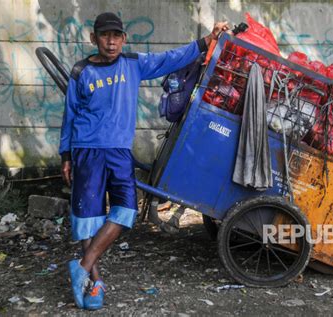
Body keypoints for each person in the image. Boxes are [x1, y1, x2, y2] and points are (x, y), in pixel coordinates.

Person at [59, 12, 229, 310]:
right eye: (104, 36)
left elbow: (171, 58)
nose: (110, 42)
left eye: (116, 36)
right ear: (93, 39)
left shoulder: (133, 64)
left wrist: (207, 40)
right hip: (86, 150)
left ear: (124, 39)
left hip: (119, 152)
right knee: (88, 221)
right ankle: (94, 285)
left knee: (125, 212)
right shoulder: (80, 71)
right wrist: (66, 155)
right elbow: (70, 116)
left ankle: (82, 267)